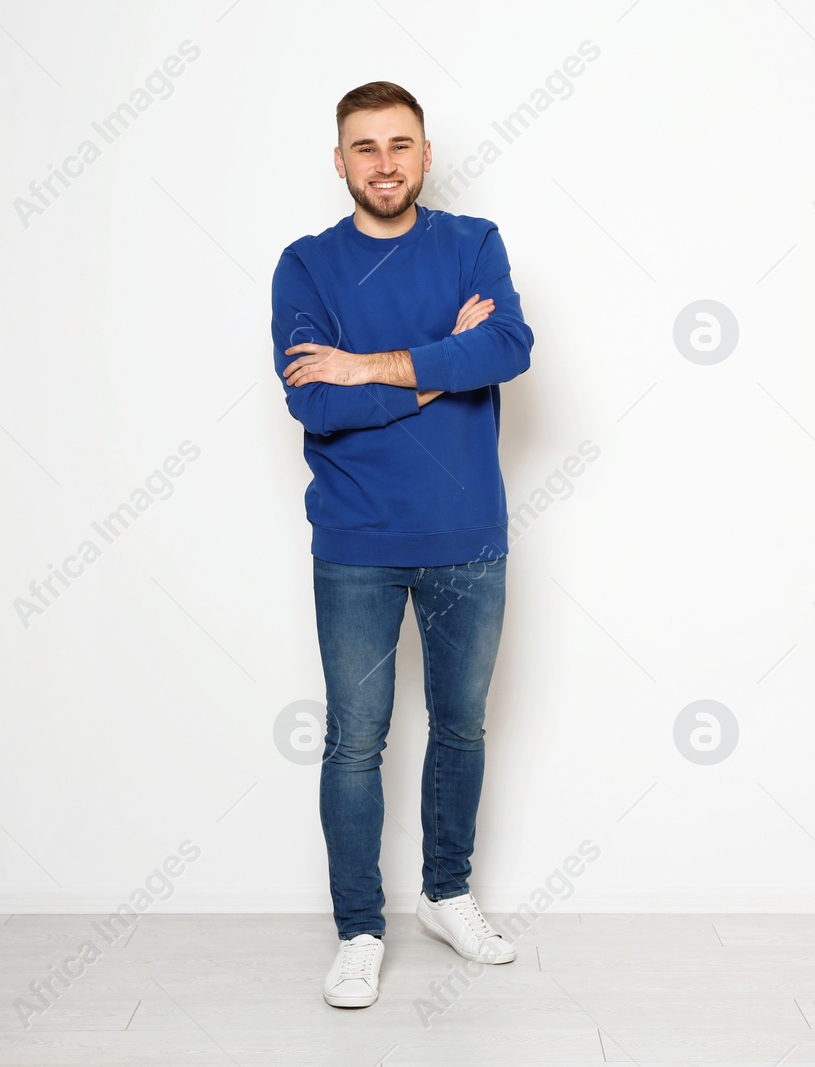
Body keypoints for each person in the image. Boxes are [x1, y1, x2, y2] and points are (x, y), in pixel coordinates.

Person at [270, 80, 534, 1009]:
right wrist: (435, 369)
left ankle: (447, 894)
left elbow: (506, 348)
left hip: (467, 534)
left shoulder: (474, 243)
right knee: (355, 741)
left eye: (401, 145)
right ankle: (358, 929)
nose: (385, 163)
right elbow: (316, 401)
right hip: (355, 541)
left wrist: (373, 363)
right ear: (339, 161)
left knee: (461, 726)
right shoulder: (305, 266)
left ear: (426, 155)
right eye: (365, 147)